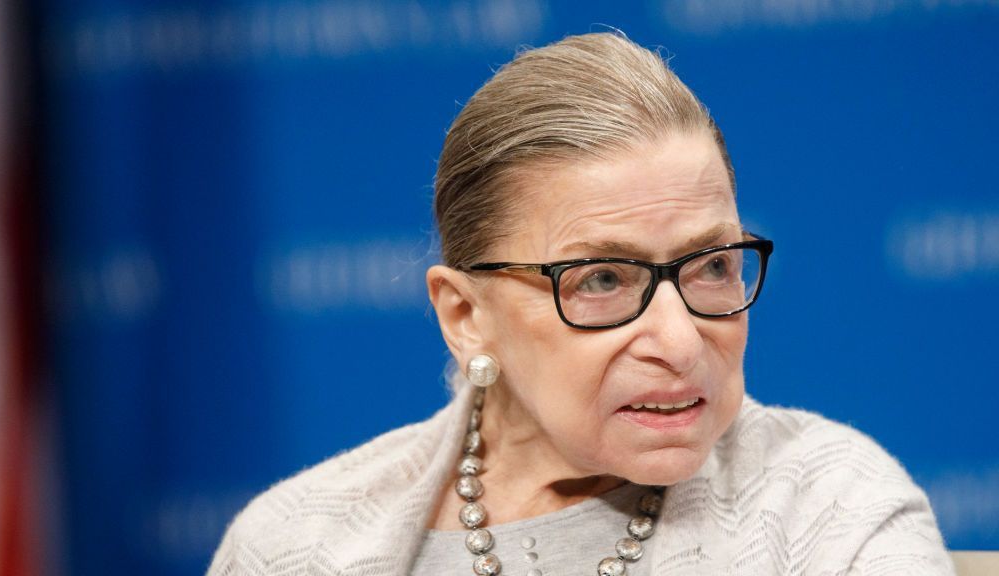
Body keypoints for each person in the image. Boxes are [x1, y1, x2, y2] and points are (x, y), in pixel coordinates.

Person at [207, 32, 953, 576]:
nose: (682, 341)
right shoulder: (289, 546)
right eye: (602, 280)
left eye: (712, 265)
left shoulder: (833, 510)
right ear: (466, 316)